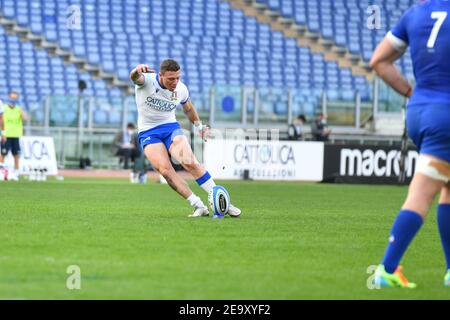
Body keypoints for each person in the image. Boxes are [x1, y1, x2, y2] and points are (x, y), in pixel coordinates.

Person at [370, 0, 450, 288]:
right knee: (420, 195)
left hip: (421, 111)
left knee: (447, 186)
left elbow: (378, 61)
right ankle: (386, 269)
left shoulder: (414, 14)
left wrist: (410, 91)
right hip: (446, 115)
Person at [130, 59, 241, 217]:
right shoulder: (146, 81)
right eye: (171, 79)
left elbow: (188, 108)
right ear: (160, 75)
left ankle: (223, 202)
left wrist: (199, 126)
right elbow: (134, 77)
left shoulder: (181, 89)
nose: (175, 82)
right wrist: (136, 70)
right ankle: (198, 205)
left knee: (190, 162)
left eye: (177, 78)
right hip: (148, 132)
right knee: (166, 171)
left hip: (170, 128)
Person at [0, 91, 28, 181]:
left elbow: (25, 118)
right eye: (12, 98)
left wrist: (22, 110)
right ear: (8, 97)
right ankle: (2, 172)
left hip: (16, 135)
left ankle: (16, 172)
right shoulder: (4, 108)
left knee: (16, 154)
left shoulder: (18, 109)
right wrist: (2, 133)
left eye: (15, 98)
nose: (13, 100)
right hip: (6, 135)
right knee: (3, 153)